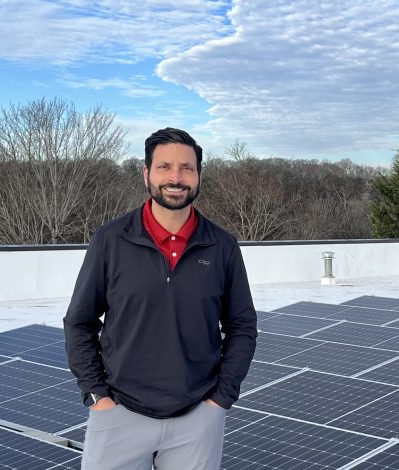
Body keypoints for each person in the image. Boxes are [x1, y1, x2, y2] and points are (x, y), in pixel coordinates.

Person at [64, 127, 258, 469]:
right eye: (165, 167)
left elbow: (242, 327)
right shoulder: (111, 240)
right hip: (119, 415)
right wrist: (97, 397)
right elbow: (80, 323)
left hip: (197, 418)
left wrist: (220, 400)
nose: (176, 177)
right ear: (146, 173)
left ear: (199, 175)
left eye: (186, 168)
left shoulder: (222, 246)